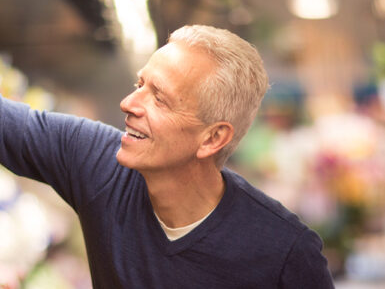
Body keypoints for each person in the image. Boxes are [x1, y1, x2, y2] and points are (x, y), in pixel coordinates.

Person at [0, 25, 334, 288]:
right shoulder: (98, 162)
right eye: (139, 83)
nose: (129, 103)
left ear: (213, 138)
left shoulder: (284, 252)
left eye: (159, 98)